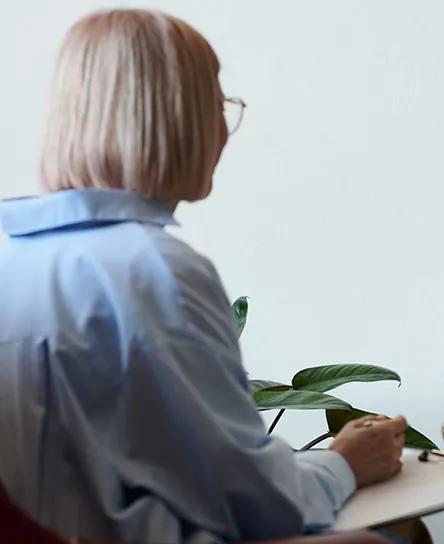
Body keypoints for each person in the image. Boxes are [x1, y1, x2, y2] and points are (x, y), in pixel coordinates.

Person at [0, 9, 406, 543]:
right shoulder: (153, 273)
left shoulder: (13, 252)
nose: (223, 129)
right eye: (217, 104)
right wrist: (346, 462)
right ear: (174, 117)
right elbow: (257, 507)